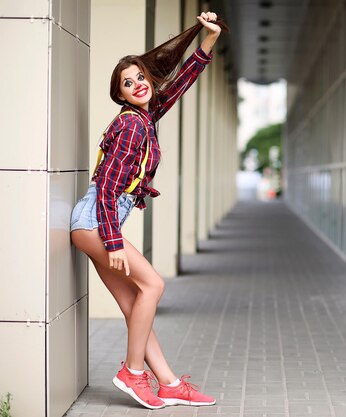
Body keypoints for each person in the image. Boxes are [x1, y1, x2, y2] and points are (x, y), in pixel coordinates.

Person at [70, 11, 226, 410]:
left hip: (96, 225)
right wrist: (115, 242)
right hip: (96, 224)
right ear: (119, 94)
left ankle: (169, 383)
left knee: (132, 305)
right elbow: (106, 188)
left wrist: (208, 39)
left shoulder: (145, 117)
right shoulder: (130, 126)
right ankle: (133, 373)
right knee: (153, 286)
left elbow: (180, 84)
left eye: (140, 77)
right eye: (128, 82)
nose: (137, 85)